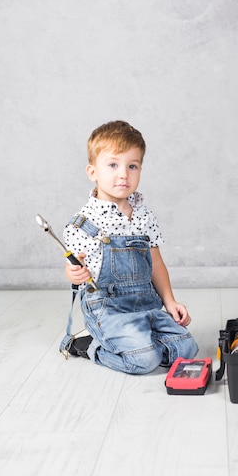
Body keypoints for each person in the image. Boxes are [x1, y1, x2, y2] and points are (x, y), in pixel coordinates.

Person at [60, 120, 198, 374]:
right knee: (144, 361)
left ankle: (140, 341)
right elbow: (75, 269)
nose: (123, 174)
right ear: (93, 172)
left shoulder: (144, 215)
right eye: (113, 165)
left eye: (132, 166)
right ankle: (88, 345)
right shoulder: (85, 223)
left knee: (186, 350)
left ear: (140, 170)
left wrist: (170, 302)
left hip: (146, 304)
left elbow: (156, 263)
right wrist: (74, 273)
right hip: (109, 309)